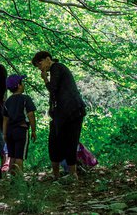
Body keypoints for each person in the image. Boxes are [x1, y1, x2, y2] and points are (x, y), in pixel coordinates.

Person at [32, 51, 86, 181]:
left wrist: (45, 79)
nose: (40, 68)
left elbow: (53, 88)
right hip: (61, 113)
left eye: (40, 64)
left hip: (72, 112)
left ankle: (73, 174)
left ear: (47, 59)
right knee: (55, 141)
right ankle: (57, 174)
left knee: (70, 141)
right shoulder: (57, 70)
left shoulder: (57, 67)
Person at [2, 74, 37, 177]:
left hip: (10, 131)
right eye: (22, 82)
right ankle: (19, 178)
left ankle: (12, 176)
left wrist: (4, 134)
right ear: (19, 85)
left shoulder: (7, 101)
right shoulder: (25, 98)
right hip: (21, 130)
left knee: (12, 155)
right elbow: (30, 114)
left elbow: (5, 119)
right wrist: (34, 130)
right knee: (19, 156)